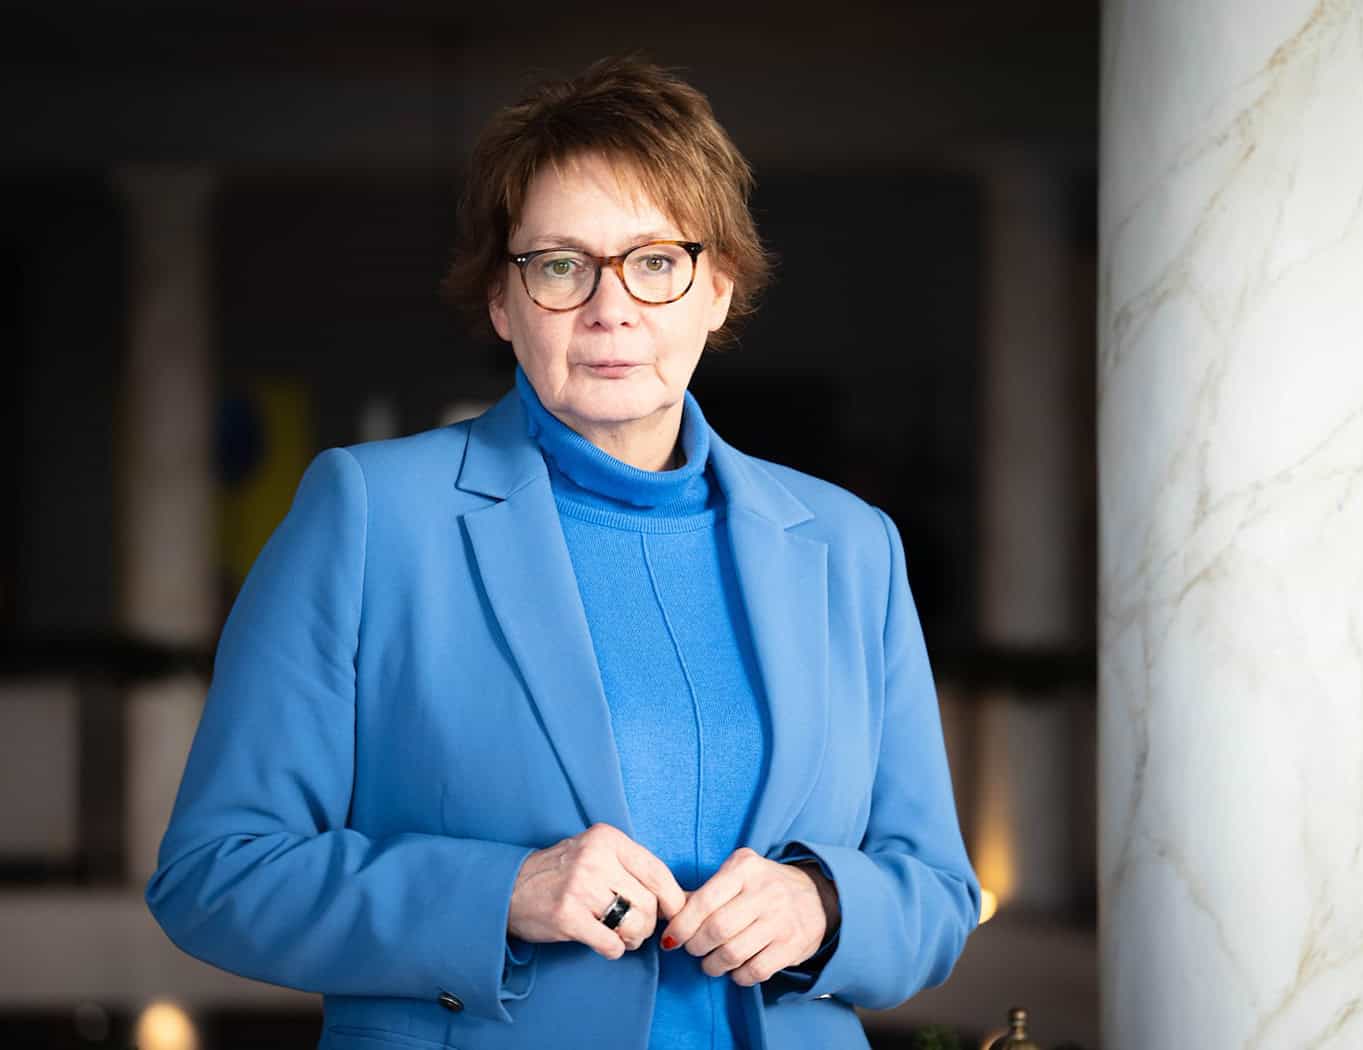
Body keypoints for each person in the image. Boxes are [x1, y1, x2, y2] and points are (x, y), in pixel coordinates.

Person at [146, 56, 980, 1050]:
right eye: (559, 265)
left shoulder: (848, 545)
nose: (609, 307)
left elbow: (935, 892)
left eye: (655, 261)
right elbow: (215, 873)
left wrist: (823, 906)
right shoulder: (371, 514)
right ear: (502, 302)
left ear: (716, 290)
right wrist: (497, 891)